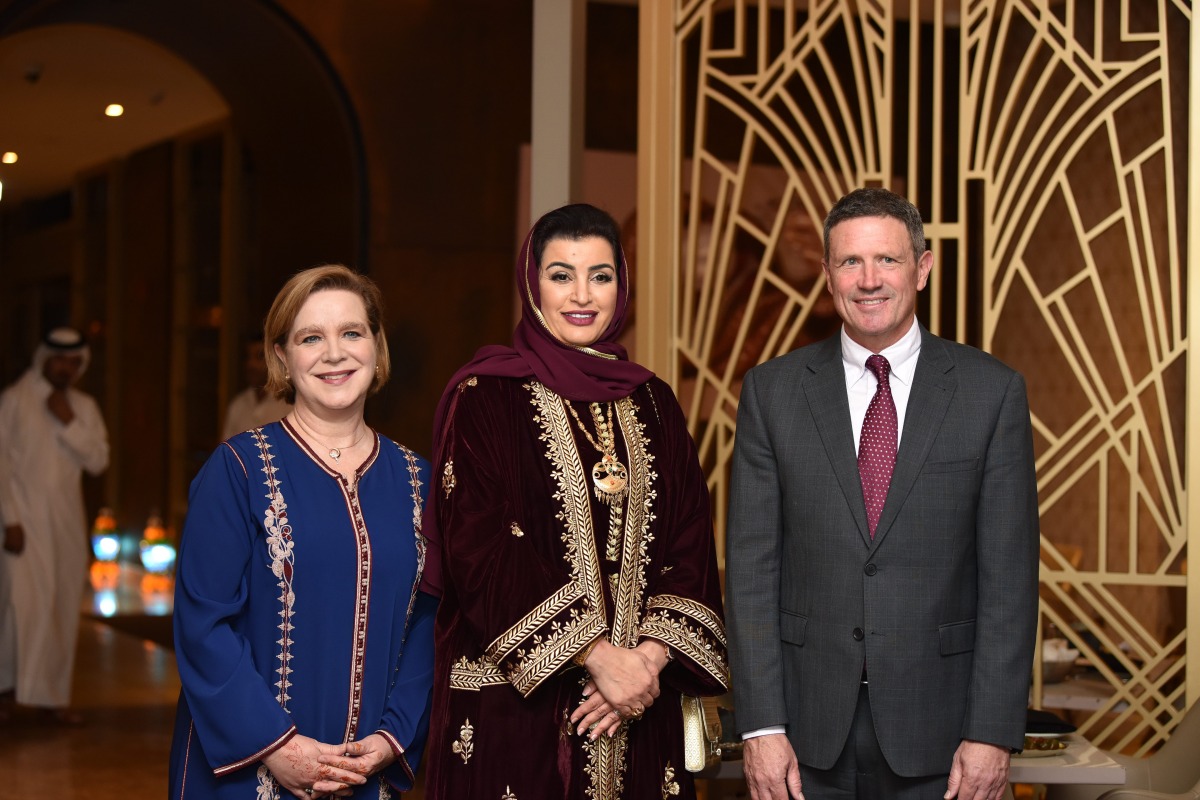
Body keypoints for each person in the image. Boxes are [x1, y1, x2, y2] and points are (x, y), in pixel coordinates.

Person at [725, 188, 1040, 800]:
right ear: (826, 276)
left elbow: (1009, 577)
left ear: (922, 269)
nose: (868, 280)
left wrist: (992, 733)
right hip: (802, 738)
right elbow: (752, 570)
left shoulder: (991, 393)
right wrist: (760, 724)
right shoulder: (772, 393)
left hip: (945, 735)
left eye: (887, 261)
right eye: (849, 262)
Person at [421, 203, 729, 799]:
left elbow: (690, 537)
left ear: (622, 284)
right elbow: (479, 550)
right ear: (532, 284)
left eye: (601, 274)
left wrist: (646, 663)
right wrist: (596, 657)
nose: (582, 294)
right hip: (520, 714)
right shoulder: (486, 397)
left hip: (640, 711)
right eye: (561, 274)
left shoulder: (654, 402)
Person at [168, 265, 436, 799]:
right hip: (249, 773)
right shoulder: (237, 470)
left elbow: (429, 623)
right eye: (311, 337)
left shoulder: (419, 480)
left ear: (377, 349)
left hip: (367, 773)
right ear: (282, 357)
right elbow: (203, 625)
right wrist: (280, 747)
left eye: (352, 333)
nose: (334, 353)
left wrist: (391, 738)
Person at [0, 327, 110, 724]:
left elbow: (98, 460)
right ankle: (10, 695)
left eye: (74, 362)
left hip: (65, 524)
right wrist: (9, 520)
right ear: (44, 358)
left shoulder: (84, 406)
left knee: (61, 609)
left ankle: (50, 701)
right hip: (21, 524)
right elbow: (2, 466)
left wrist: (68, 423)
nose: (66, 368)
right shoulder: (14, 400)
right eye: (59, 360)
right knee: (20, 609)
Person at [221, 335, 294, 439]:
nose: (251, 364)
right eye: (248, 357)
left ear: (273, 360)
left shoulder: (288, 404)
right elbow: (227, 452)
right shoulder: (238, 405)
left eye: (259, 357)